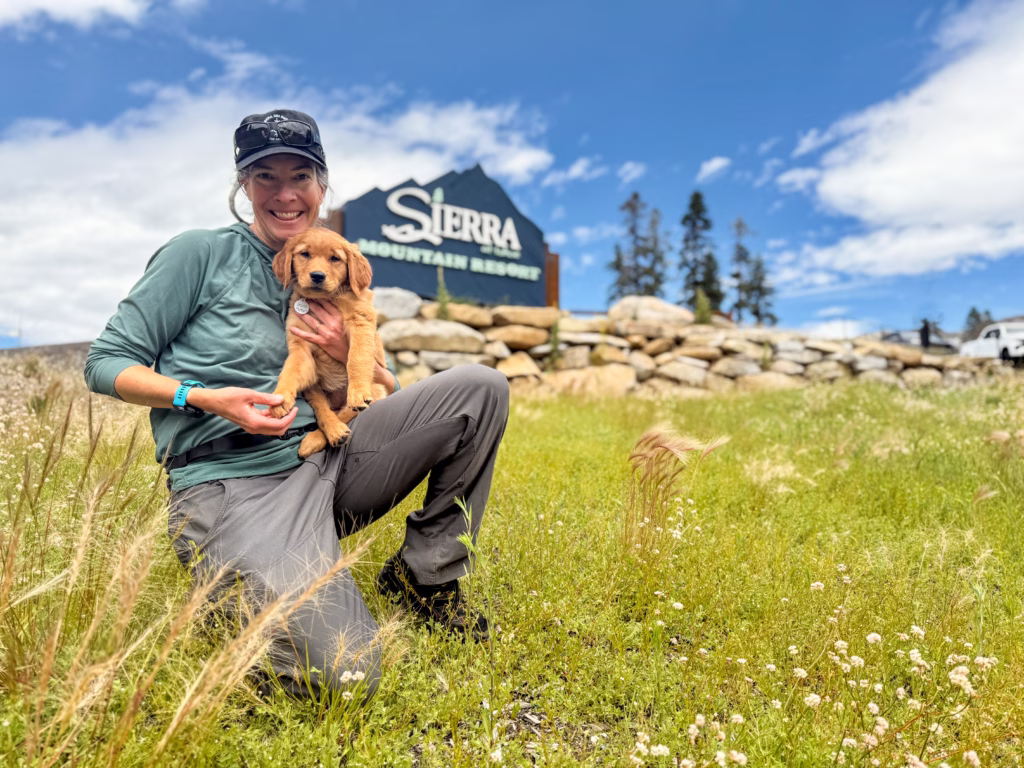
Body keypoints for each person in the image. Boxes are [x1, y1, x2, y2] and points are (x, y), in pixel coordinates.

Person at [84, 109, 509, 700]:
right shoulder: (198, 254)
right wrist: (201, 396)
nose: (285, 194)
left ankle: (425, 578)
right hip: (237, 481)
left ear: (322, 184)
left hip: (331, 454)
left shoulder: (341, 270)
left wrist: (353, 354)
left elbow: (375, 379)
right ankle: (237, 583)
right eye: (265, 177)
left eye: (301, 176)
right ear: (243, 186)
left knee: (481, 387)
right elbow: (104, 362)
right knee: (345, 672)